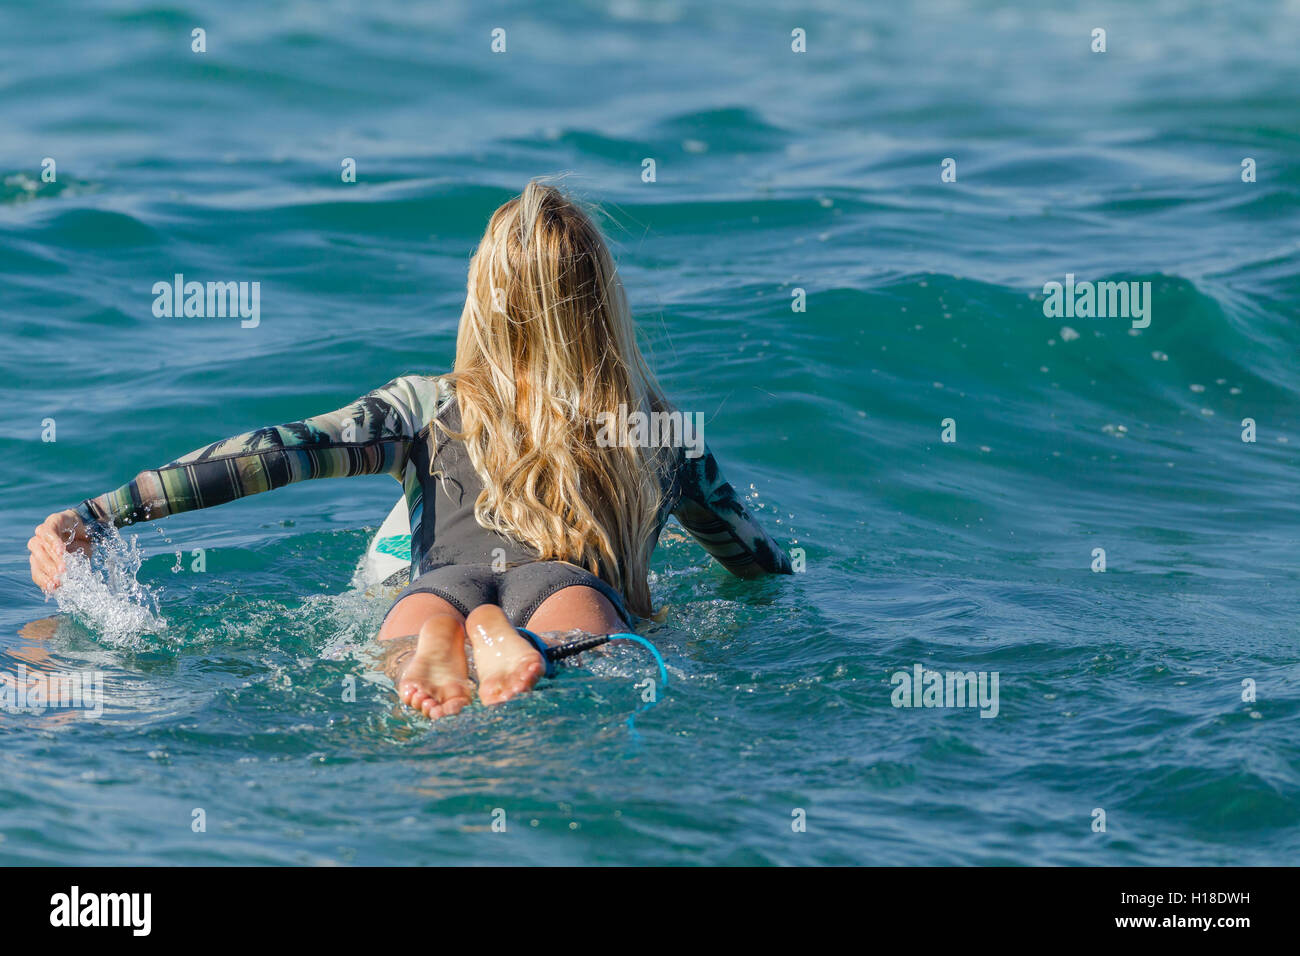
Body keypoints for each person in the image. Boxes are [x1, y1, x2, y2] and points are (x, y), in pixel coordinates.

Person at [27, 181, 792, 719]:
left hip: (436, 585)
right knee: (575, 657)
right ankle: (511, 640)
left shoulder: (427, 406)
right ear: (607, 300)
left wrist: (102, 511)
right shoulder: (655, 429)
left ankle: (445, 637)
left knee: (402, 660)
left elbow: (267, 456)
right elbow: (757, 564)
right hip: (571, 589)